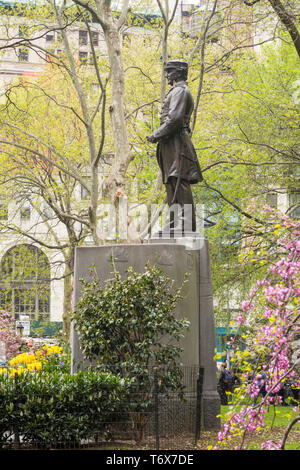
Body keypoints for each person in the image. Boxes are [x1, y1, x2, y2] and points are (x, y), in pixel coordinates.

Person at [146, 60, 203, 233]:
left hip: (177, 143)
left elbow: (175, 119)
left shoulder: (180, 91)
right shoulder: (177, 90)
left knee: (178, 180)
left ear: (178, 72)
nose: (166, 75)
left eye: (169, 71)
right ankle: (174, 225)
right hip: (171, 143)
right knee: (172, 181)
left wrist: (156, 134)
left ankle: (185, 226)